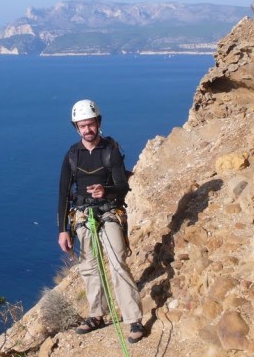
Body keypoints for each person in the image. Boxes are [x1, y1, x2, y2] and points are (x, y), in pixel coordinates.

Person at [57, 99, 144, 343]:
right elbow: (63, 193)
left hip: (109, 212)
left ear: (98, 123)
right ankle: (96, 314)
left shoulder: (110, 151)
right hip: (84, 216)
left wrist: (105, 192)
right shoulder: (72, 156)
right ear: (76, 127)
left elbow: (123, 187)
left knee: (117, 263)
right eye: (82, 126)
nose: (87, 129)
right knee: (89, 268)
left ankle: (133, 319)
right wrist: (63, 230)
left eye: (90, 124)